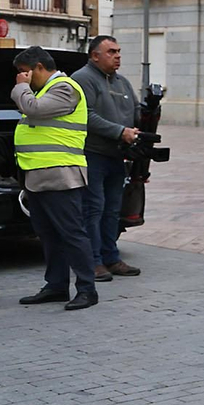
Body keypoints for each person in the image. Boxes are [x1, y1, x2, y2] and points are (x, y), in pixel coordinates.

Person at [12, 46, 98, 311]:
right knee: (49, 235)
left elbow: (34, 110)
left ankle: (87, 289)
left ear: (39, 67)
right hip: (38, 175)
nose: (21, 78)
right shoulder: (45, 90)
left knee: (72, 233)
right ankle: (56, 285)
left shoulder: (65, 88)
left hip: (60, 173)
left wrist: (20, 89)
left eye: (24, 72)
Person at [72, 36, 142, 282]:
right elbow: (85, 116)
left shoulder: (122, 82)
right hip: (92, 154)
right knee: (93, 209)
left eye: (119, 51)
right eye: (111, 51)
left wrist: (149, 113)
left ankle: (111, 257)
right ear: (94, 55)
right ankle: (92, 262)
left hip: (117, 156)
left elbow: (135, 112)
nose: (118, 56)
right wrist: (119, 132)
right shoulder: (82, 79)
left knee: (112, 210)